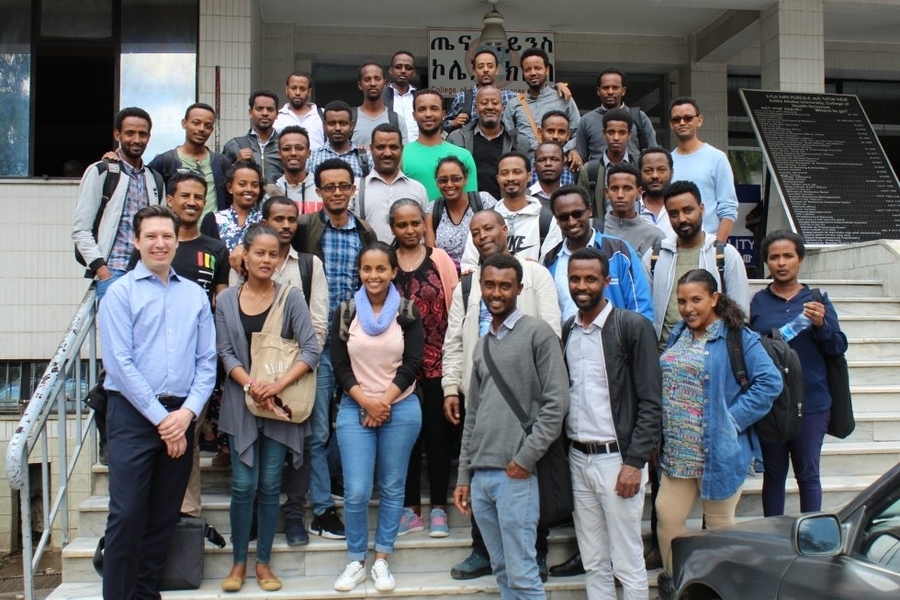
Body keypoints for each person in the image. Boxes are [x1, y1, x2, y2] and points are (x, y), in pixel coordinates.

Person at [98, 205, 216, 600]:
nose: (160, 243)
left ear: (176, 239)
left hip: (181, 416)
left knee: (163, 516)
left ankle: (146, 594)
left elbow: (206, 363)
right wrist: (163, 419)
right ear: (136, 241)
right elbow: (120, 364)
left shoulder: (195, 295)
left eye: (166, 235)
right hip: (132, 415)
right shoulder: (119, 293)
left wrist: (185, 415)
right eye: (150, 236)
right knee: (127, 514)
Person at [443, 209, 560, 582]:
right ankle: (484, 550)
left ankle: (534, 554)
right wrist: (450, 386)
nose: (481, 235)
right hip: (480, 395)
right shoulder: (467, 285)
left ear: (505, 229)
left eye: (488, 228)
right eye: (474, 231)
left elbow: (552, 331)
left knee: (526, 493)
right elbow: (455, 341)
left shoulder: (535, 274)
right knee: (484, 486)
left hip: (525, 406)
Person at [215, 225, 319, 592]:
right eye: (259, 252)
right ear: (244, 254)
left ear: (279, 259)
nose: (266, 260)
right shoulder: (226, 299)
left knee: (271, 484)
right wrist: (250, 385)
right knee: (244, 486)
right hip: (242, 402)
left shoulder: (290, 297)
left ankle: (263, 563)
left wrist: (275, 386)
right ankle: (239, 562)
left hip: (280, 403)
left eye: (273, 254)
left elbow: (311, 349)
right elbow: (225, 352)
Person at [656, 269, 781, 569]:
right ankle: (677, 583)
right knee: (667, 517)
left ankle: (717, 589)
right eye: (682, 301)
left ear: (715, 298)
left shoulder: (738, 337)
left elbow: (770, 382)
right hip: (678, 453)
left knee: (719, 526)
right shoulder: (678, 333)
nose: (688, 308)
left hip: (718, 451)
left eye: (696, 299)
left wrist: (731, 419)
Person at [564, 247, 661, 600]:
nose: (582, 285)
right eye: (575, 278)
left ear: (606, 281)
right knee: (594, 560)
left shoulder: (632, 327)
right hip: (578, 458)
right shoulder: (568, 331)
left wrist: (634, 463)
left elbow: (652, 400)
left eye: (590, 278)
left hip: (618, 461)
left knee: (627, 561)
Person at [291, 158, 379, 541]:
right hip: (318, 344)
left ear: (353, 188)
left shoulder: (365, 231)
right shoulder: (306, 229)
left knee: (355, 419)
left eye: (344, 186)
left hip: (358, 344)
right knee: (317, 429)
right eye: (330, 187)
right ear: (319, 190)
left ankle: (339, 479)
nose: (338, 192)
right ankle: (323, 510)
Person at [331, 242, 424, 592]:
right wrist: (366, 403)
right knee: (355, 491)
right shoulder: (346, 312)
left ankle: (382, 559)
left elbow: (413, 363)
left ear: (393, 272)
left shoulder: (407, 312)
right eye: (367, 269)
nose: (374, 276)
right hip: (355, 407)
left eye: (381, 269)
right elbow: (339, 364)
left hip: (399, 406)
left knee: (391, 486)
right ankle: (355, 559)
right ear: (359, 272)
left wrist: (382, 402)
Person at [750, 230, 848, 516]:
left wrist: (821, 326)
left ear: (800, 260)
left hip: (812, 402)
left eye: (788, 256)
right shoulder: (758, 301)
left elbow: (838, 346)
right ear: (767, 262)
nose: (781, 263)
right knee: (774, 475)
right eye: (774, 257)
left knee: (807, 474)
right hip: (772, 404)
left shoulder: (816, 298)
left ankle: (812, 536)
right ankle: (775, 537)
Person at [387, 199, 459, 538]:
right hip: (399, 366)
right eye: (402, 225)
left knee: (437, 436)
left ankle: (440, 508)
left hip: (438, 361)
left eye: (416, 223)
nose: (410, 230)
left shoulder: (439, 259)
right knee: (407, 438)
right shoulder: (385, 261)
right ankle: (411, 508)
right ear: (393, 229)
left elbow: (454, 306)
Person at [259, 195, 328, 546]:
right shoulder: (251, 260)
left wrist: (298, 367)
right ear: (265, 221)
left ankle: (294, 514)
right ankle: (261, 512)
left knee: (302, 443)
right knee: (261, 441)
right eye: (278, 219)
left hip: (300, 369)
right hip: (258, 371)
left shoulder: (308, 264)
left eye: (291, 219)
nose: (285, 226)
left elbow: (318, 322)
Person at [641, 180, 749, 351]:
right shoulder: (654, 256)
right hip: (663, 357)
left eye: (688, 210)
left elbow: (741, 315)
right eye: (674, 214)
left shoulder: (725, 255)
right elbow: (643, 313)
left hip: (713, 358)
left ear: (702, 208)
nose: (682, 219)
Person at [73, 107, 163, 300]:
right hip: (114, 273)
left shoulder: (155, 179)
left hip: (148, 274)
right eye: (130, 133)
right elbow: (81, 230)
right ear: (117, 134)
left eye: (143, 134)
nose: (137, 140)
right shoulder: (102, 171)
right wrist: (102, 270)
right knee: (115, 331)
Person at [542, 185, 653, 323]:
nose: (571, 221)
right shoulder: (550, 260)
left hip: (615, 342)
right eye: (564, 217)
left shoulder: (618, 251)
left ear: (589, 210)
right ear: (556, 219)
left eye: (577, 214)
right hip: (569, 341)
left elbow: (640, 307)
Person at [459, 151, 562, 271]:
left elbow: (553, 266)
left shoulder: (547, 219)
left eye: (517, 172)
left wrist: (536, 270)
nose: (511, 178)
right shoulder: (485, 219)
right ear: (497, 178)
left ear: (529, 176)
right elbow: (469, 265)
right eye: (504, 173)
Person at [443, 47, 571, 133]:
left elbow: (534, 94)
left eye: (490, 66)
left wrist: (557, 86)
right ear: (474, 71)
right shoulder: (463, 97)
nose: (486, 69)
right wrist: (453, 123)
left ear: (497, 70)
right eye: (481, 66)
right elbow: (441, 126)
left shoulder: (510, 97)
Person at [669, 97, 738, 241]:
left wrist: (717, 246)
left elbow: (728, 208)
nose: (682, 123)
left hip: (708, 245)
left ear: (699, 120)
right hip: (673, 246)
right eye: (676, 119)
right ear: (671, 125)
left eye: (688, 118)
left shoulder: (717, 158)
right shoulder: (667, 162)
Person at [502, 48, 582, 170]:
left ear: (547, 70)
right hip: (526, 168)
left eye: (538, 68)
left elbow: (577, 133)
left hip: (559, 165)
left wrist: (562, 151)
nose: (533, 73)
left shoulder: (563, 98)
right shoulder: (514, 104)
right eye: (528, 69)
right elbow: (508, 139)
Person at [446, 84, 531, 199]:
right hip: (468, 209)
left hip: (506, 209)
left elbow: (527, 181)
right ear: (475, 108)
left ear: (503, 107)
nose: (490, 107)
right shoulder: (456, 139)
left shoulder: (518, 141)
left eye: (495, 103)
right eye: (484, 103)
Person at [147, 102, 232, 216]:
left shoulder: (221, 162)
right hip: (176, 231)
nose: (201, 129)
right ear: (184, 123)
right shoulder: (164, 161)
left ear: (212, 130)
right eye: (196, 123)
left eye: (207, 126)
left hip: (214, 232)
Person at [349, 122, 428, 243]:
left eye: (393, 147)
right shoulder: (355, 188)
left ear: (402, 149)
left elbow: (426, 232)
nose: (387, 153)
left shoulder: (417, 189)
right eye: (380, 147)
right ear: (371, 149)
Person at [402, 89, 479, 202]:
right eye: (422, 109)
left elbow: (471, 203)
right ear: (414, 115)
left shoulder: (463, 156)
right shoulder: (401, 155)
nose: (428, 114)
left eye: (434, 109)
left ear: (444, 115)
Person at [426, 156, 498, 270]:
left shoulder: (483, 201)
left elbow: (501, 237)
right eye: (443, 180)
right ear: (437, 183)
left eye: (456, 179)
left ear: (465, 179)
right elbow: (432, 255)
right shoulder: (433, 208)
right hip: (447, 277)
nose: (449, 185)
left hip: (484, 272)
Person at [200, 160, 263, 281]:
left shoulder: (265, 220)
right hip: (220, 287)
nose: (249, 189)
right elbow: (206, 258)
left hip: (256, 286)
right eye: (242, 184)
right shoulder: (213, 219)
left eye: (254, 185)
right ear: (230, 187)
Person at [577, 68, 657, 162]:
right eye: (605, 88)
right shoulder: (586, 120)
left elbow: (653, 153)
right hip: (599, 175)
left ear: (623, 91)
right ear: (598, 91)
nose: (610, 92)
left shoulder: (639, 117)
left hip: (633, 174)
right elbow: (581, 157)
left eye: (615, 87)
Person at [576, 108, 640, 218]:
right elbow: (581, 209)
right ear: (604, 133)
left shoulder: (639, 167)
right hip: (601, 232)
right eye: (611, 132)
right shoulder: (589, 170)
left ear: (629, 134)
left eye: (622, 133)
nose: (616, 138)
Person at [603, 163, 665, 257]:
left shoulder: (654, 236)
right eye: (615, 188)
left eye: (627, 188)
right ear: (607, 193)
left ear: (639, 192)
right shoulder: (595, 230)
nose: (620, 195)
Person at [223, 90, 283, 184]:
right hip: (247, 197)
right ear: (251, 113)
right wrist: (237, 164)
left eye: (270, 109)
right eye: (259, 109)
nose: (265, 113)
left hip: (278, 197)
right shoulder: (234, 145)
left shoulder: (285, 146)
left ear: (276, 114)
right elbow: (223, 180)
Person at [306, 101, 372, 180]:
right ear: (324, 126)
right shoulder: (312, 158)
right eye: (332, 123)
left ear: (351, 126)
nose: (337, 128)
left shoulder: (366, 158)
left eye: (343, 123)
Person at [352, 62, 408, 147]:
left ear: (385, 84)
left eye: (377, 79)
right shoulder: (350, 119)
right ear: (360, 85)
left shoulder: (397, 120)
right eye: (367, 79)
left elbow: (403, 156)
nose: (373, 83)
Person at [268, 125, 317, 213]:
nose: (293, 153)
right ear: (279, 154)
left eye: (299, 148)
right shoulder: (272, 191)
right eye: (287, 149)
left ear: (309, 153)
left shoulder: (321, 188)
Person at [274, 71, 325, 151]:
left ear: (309, 92)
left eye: (302, 89)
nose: (298, 93)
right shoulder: (276, 117)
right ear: (286, 89)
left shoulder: (323, 114)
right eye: (293, 88)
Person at [638, 146, 675, 237]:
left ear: (671, 172)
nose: (655, 176)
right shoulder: (631, 209)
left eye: (661, 170)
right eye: (648, 171)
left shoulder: (682, 208)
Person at [384, 50, 419, 141]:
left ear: (414, 73)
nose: (403, 71)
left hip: (418, 151)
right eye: (398, 67)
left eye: (408, 68)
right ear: (391, 70)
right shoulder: (380, 97)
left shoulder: (420, 98)